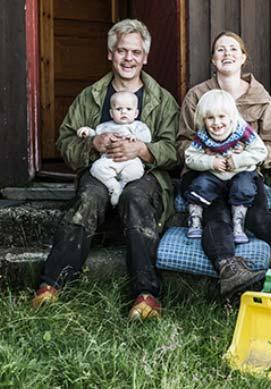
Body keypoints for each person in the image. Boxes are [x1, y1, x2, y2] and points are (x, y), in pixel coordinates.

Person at [32, 19, 179, 321]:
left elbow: (175, 149)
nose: (128, 58)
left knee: (136, 199)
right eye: (121, 50)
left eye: (135, 52)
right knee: (88, 197)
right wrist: (93, 144)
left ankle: (146, 295)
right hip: (101, 172)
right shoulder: (91, 97)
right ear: (110, 53)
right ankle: (52, 285)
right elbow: (65, 141)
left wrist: (142, 150)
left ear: (145, 57)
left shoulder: (161, 100)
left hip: (144, 176)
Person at [177, 31, 271, 297]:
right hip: (204, 173)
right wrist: (211, 161)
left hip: (244, 174)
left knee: (257, 216)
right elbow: (183, 144)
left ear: (243, 57)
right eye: (220, 50)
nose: (227, 53)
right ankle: (230, 270)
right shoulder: (197, 96)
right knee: (216, 216)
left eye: (233, 49)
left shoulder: (261, 98)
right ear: (213, 59)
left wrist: (242, 160)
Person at [184, 89, 268, 243]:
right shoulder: (203, 135)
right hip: (215, 173)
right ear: (203, 119)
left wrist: (237, 160)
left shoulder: (242, 131)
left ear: (231, 117)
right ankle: (195, 221)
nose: (216, 123)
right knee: (199, 186)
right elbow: (190, 157)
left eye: (221, 116)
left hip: (239, 171)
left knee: (243, 187)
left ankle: (238, 224)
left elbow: (260, 151)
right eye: (210, 118)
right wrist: (211, 162)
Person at [77, 91, 152, 206]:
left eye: (128, 109)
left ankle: (123, 184)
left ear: (136, 113)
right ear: (111, 113)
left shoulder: (138, 126)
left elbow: (147, 138)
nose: (123, 112)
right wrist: (87, 132)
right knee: (96, 168)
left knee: (137, 170)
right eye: (118, 109)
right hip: (109, 159)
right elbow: (96, 135)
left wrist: (136, 137)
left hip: (130, 160)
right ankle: (114, 186)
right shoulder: (105, 126)